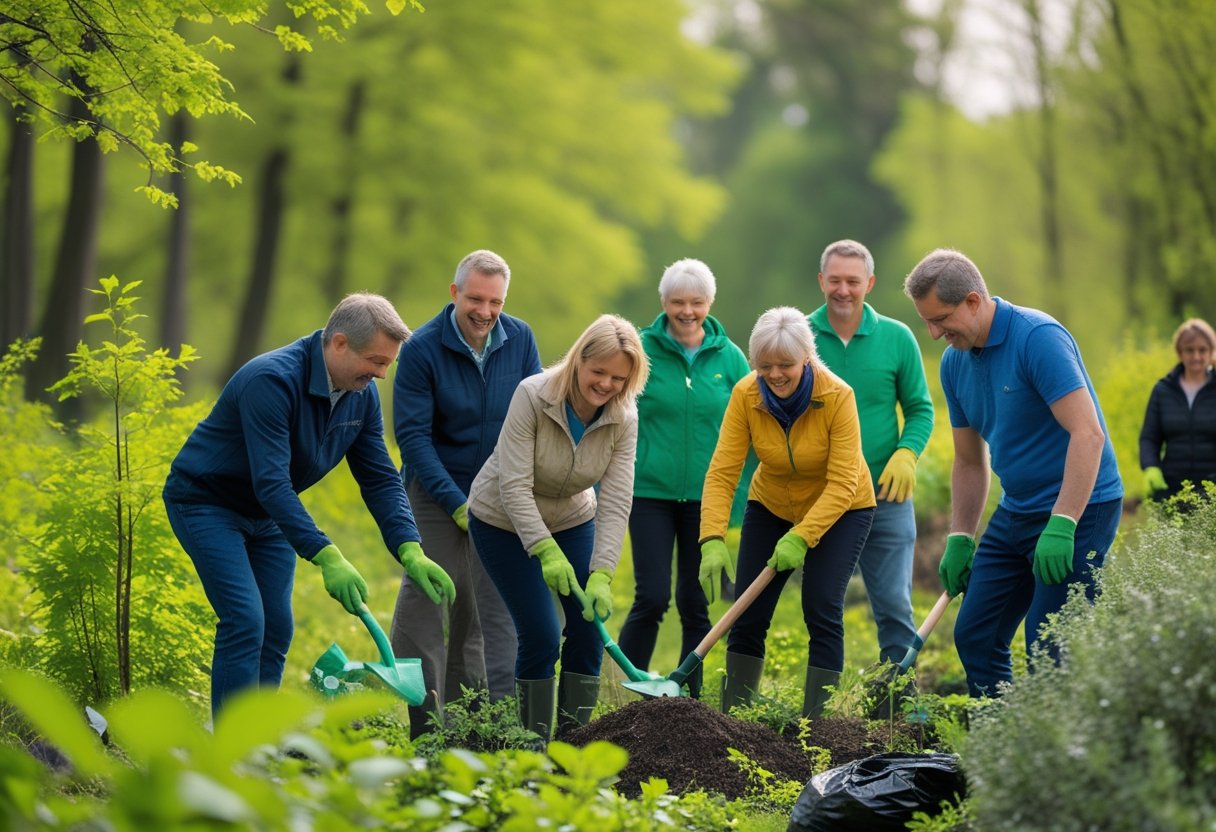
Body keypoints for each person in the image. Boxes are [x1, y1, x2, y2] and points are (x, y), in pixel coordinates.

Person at [163, 294, 456, 722]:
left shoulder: (361, 395)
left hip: (270, 514)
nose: (381, 374)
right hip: (207, 503)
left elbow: (378, 476)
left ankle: (256, 740)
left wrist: (410, 547)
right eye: (375, 361)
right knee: (246, 619)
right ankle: (227, 748)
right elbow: (271, 481)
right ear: (339, 343)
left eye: (387, 364)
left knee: (276, 628)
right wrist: (327, 553)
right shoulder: (272, 380)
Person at [903, 248, 1123, 698]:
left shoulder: (1036, 338)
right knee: (976, 637)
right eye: (926, 321)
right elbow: (968, 459)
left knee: (1050, 644)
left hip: (1082, 507)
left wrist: (1063, 523)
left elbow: (1088, 435)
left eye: (940, 318)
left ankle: (1060, 757)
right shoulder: (955, 362)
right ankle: (1004, 750)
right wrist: (961, 535)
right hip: (1018, 508)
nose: (932, 333)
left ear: (972, 300)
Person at [467, 314, 648, 740]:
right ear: (578, 360)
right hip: (502, 520)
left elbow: (618, 497)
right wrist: (544, 550)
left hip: (571, 517)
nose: (606, 384)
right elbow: (514, 486)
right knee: (542, 633)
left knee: (588, 632)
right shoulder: (533, 395)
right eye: (598, 371)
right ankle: (533, 744)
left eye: (619, 378)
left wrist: (602, 572)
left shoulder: (624, 417)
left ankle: (572, 744)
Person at [390, 250, 542, 737]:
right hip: (435, 493)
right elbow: (412, 436)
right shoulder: (421, 348)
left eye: (495, 301)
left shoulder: (519, 339)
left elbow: (533, 415)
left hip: (498, 494)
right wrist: (456, 502)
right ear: (455, 293)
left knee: (480, 608)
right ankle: (427, 727)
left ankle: (473, 726)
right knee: (427, 599)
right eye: (476, 298)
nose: (485, 311)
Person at [699, 307, 876, 719]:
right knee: (747, 610)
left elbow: (843, 482)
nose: (775, 375)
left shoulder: (837, 397)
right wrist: (711, 538)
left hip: (843, 507)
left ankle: (816, 727)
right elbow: (723, 472)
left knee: (821, 604)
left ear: (807, 360)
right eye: (765, 367)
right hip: (772, 501)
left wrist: (802, 535)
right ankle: (735, 721)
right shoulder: (746, 395)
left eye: (786, 366)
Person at [616, 258, 751, 699]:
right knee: (651, 597)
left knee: (697, 602)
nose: (687, 311)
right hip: (649, 493)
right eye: (678, 302)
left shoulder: (730, 358)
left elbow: (751, 429)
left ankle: (689, 705)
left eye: (696, 302)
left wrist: (743, 498)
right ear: (663, 302)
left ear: (709, 303)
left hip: (708, 497)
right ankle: (627, 691)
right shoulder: (639, 349)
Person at [809, 240, 934, 671]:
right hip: (818, 495)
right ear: (821, 280)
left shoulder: (897, 338)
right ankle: (819, 709)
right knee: (820, 604)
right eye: (836, 280)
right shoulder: (799, 339)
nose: (844, 290)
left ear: (871, 284)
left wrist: (907, 453)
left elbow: (920, 408)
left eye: (853, 281)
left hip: (885, 494)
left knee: (895, 605)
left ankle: (898, 702)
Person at [1139, 317, 1216, 501]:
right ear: (1180, 352)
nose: (1196, 356)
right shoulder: (1163, 390)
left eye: (1202, 350)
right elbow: (1149, 438)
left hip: (1213, 492)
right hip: (1171, 490)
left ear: (1211, 352)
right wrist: (1151, 467)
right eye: (1189, 350)